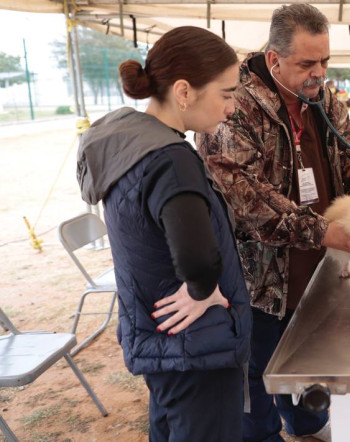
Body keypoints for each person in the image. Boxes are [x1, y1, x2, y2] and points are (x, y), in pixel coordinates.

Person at [196, 3, 350, 442]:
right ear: (274, 58)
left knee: (311, 357)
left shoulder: (320, 97)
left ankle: (309, 425)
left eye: (325, 61)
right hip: (259, 276)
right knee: (258, 370)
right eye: (307, 64)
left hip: (320, 263)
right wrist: (322, 231)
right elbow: (244, 196)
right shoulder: (234, 103)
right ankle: (261, 435)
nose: (319, 73)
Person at [76, 26, 252, 441]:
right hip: (197, 348)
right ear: (184, 91)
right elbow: (197, 257)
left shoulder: (129, 145)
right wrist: (202, 289)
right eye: (226, 95)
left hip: (164, 343)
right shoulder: (171, 159)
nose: (231, 109)